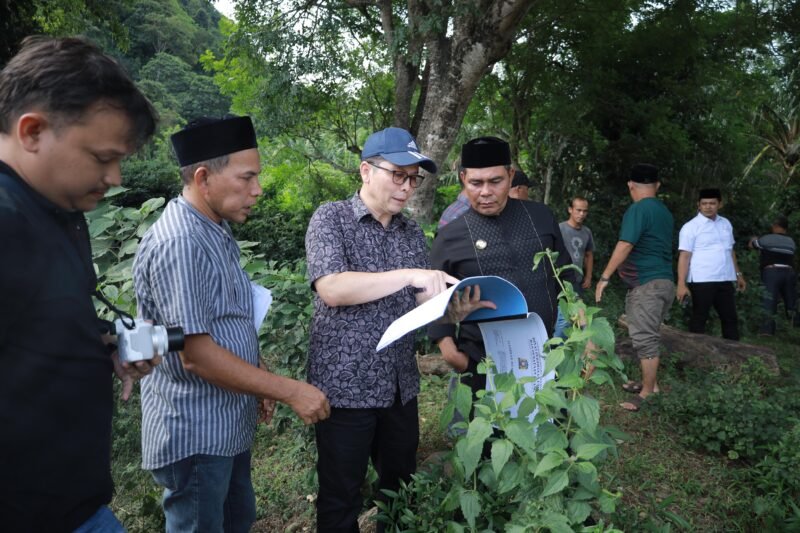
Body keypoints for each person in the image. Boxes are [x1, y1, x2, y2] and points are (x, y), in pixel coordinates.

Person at [133, 116, 330, 532]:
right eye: (247, 178)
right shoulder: (182, 242)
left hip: (225, 424)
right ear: (204, 177)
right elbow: (197, 357)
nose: (257, 190)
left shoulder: (214, 229)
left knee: (237, 519)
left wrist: (256, 374)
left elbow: (224, 318)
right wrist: (291, 390)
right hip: (197, 432)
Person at [0, 36, 158, 531]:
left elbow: (37, 325)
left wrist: (105, 345)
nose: (114, 176)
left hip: (76, 504)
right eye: (101, 157)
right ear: (32, 131)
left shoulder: (59, 209)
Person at [305, 127, 490, 532]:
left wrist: (454, 307)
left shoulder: (409, 234)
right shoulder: (331, 218)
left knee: (399, 489)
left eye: (414, 179)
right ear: (366, 171)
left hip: (399, 387)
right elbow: (333, 288)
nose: (407, 188)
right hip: (345, 386)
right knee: (340, 496)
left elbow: (419, 303)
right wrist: (409, 275)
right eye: (398, 175)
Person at [429, 137, 572, 395]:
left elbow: (566, 275)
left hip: (546, 355)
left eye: (495, 181)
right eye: (476, 183)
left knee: (550, 428)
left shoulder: (540, 216)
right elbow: (434, 300)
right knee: (489, 432)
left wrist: (583, 329)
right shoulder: (450, 236)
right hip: (483, 365)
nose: (485, 191)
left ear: (510, 175)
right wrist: (450, 351)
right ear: (463, 178)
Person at [595, 163, 675, 412]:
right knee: (648, 334)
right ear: (657, 186)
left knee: (645, 338)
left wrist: (605, 276)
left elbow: (626, 243)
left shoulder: (639, 209)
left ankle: (648, 393)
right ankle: (653, 385)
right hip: (665, 282)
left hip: (648, 285)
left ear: (630, 185)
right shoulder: (665, 212)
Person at [676, 188, 746, 340]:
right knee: (700, 318)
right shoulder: (691, 227)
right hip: (702, 279)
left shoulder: (726, 223)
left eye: (712, 203)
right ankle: (694, 355)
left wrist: (738, 274)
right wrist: (681, 283)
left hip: (725, 278)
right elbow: (684, 256)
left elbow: (730, 251)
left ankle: (734, 355)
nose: (708, 206)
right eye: (704, 203)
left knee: (730, 318)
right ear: (698, 205)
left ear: (719, 204)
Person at [748, 215, 799, 335]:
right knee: (791, 301)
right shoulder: (791, 242)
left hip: (772, 272)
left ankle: (767, 330)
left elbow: (752, 245)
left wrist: (753, 239)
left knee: (768, 300)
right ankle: (795, 327)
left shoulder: (767, 239)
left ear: (775, 226)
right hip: (789, 272)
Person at [553, 197, 595, 338]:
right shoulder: (559, 228)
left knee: (573, 316)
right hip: (561, 279)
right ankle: (557, 350)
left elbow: (589, 255)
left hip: (577, 279)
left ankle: (573, 345)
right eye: (578, 210)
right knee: (566, 317)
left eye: (585, 211)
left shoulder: (587, 232)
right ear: (570, 209)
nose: (581, 214)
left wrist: (588, 276)